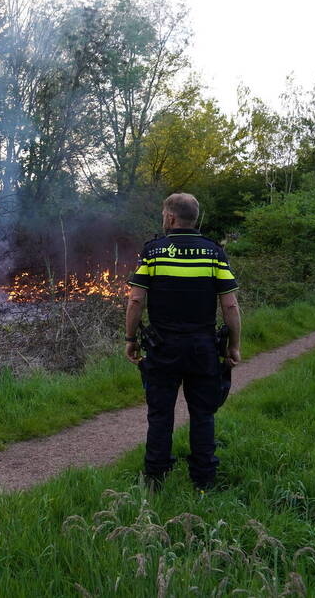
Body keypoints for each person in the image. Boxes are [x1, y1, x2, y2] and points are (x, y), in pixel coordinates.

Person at [124, 193, 242, 492]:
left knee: (160, 414)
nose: (163, 219)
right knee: (203, 413)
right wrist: (234, 346)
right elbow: (230, 306)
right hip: (203, 348)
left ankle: (155, 479)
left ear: (171, 218)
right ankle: (204, 480)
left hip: (163, 348)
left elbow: (136, 299)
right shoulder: (214, 253)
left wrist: (130, 338)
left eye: (165, 214)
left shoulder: (153, 252)